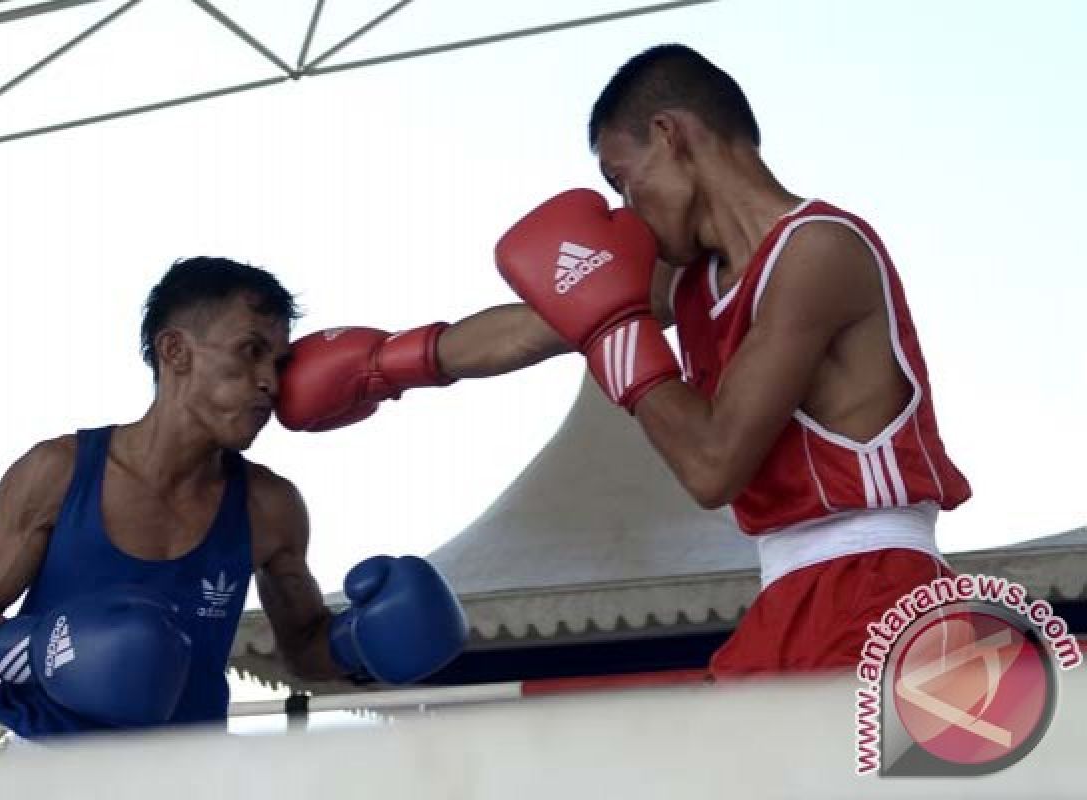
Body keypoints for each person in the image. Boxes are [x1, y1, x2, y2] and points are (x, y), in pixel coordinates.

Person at [276, 45, 971, 678]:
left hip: (882, 588)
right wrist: (386, 366)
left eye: (622, 177)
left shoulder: (818, 250)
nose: (624, 205)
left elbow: (713, 464)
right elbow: (537, 327)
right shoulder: (694, 278)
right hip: (789, 594)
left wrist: (615, 331)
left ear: (670, 135)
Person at [0, 257, 468, 739]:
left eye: (278, 363)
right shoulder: (60, 473)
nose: (270, 384)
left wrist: (360, 643)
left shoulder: (269, 505)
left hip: (197, 773)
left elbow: (304, 647)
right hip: (51, 772)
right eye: (251, 352)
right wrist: (44, 647)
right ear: (175, 351)